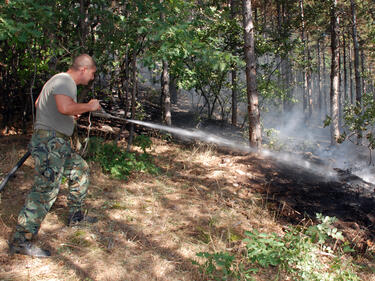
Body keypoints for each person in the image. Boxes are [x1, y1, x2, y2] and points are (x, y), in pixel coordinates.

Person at [9, 54, 101, 257]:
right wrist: (88, 106)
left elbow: (38, 103)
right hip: (50, 143)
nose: (92, 78)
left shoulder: (57, 80)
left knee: (80, 170)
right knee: (46, 190)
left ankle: (76, 216)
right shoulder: (65, 81)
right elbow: (64, 107)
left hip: (56, 143)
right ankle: (20, 240)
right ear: (83, 70)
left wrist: (70, 111)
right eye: (92, 73)